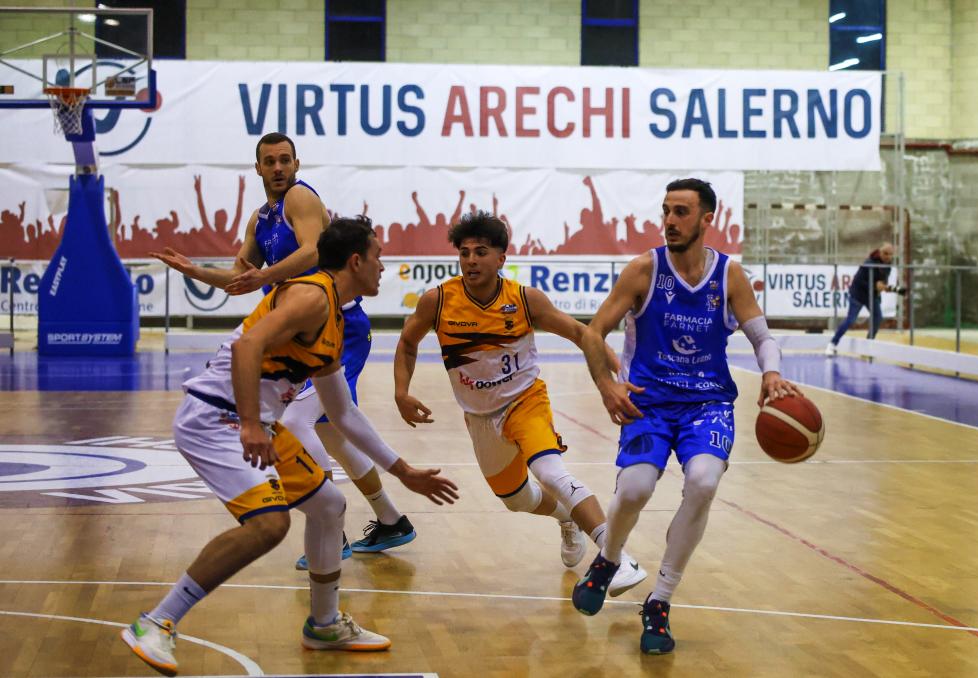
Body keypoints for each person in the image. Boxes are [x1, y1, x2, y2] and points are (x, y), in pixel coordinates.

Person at [121, 217, 458, 677]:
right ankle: (156, 622)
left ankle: (324, 625)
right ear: (355, 261)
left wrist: (404, 472)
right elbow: (248, 347)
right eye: (378, 256)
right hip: (215, 416)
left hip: (250, 419)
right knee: (269, 524)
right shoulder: (311, 296)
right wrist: (249, 424)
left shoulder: (333, 318)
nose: (383, 266)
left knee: (329, 505)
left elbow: (343, 413)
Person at [151, 133, 418, 563]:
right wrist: (196, 271)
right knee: (330, 432)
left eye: (285, 160)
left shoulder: (300, 197)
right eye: (270, 161)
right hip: (301, 331)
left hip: (339, 326)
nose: (278, 168)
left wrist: (265, 276)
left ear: (296, 164)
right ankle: (391, 520)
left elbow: (313, 251)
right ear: (257, 168)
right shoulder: (260, 219)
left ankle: (333, 530)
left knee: (297, 422)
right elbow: (242, 278)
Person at [570, 179, 801, 655]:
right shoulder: (644, 269)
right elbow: (594, 332)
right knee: (635, 489)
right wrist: (607, 385)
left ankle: (660, 601)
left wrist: (772, 373)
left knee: (703, 482)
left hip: (708, 403)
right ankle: (608, 559)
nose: (670, 221)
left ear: (706, 218)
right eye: (666, 211)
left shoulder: (729, 275)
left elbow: (763, 338)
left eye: (681, 212)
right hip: (648, 402)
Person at [393, 212, 647, 594]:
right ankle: (567, 518)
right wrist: (401, 391)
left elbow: (580, 332)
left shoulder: (525, 299)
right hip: (479, 416)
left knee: (551, 473)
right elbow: (407, 343)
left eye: (481, 252)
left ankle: (617, 558)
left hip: (524, 401)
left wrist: (611, 370)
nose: (471, 260)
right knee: (515, 500)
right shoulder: (438, 300)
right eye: (464, 253)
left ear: (501, 258)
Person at [825, 242, 905, 356]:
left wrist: (888, 288)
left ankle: (868, 345)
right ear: (880, 252)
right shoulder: (869, 263)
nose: (888, 256)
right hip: (858, 294)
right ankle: (832, 344)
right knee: (850, 320)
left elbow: (883, 283)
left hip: (872, 296)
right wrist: (875, 286)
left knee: (878, 317)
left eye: (891, 254)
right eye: (886, 253)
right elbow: (858, 281)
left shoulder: (888, 266)